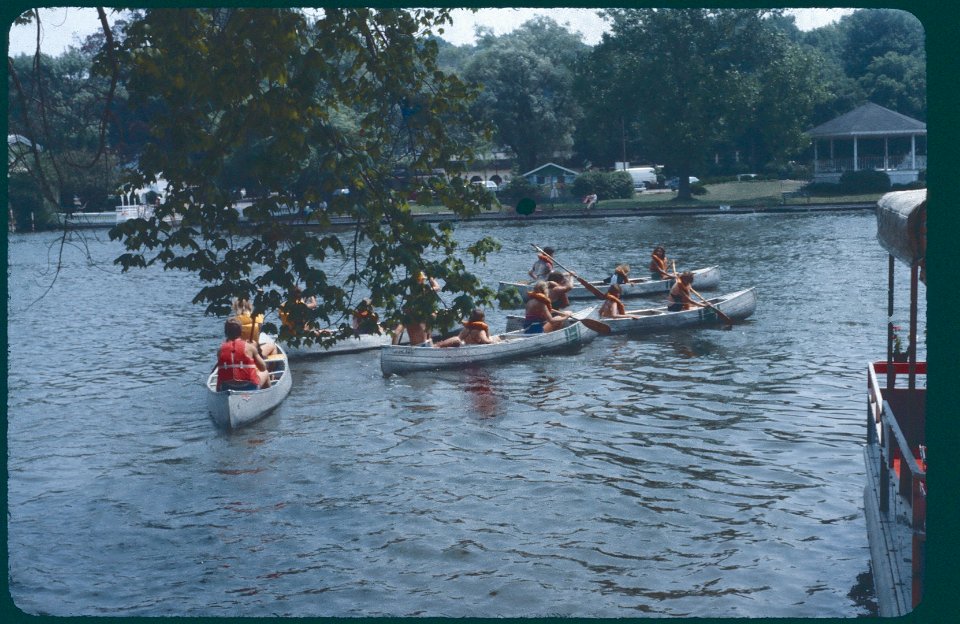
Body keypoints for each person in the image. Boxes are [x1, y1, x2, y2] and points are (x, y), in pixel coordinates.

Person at [216, 318, 271, 390]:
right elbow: (263, 368)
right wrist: (255, 350)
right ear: (241, 332)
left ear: (226, 332)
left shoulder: (220, 350)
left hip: (226, 387)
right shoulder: (250, 347)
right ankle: (265, 397)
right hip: (248, 387)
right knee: (266, 373)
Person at [435, 308, 501, 348]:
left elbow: (458, 338)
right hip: (474, 347)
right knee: (497, 338)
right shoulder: (480, 331)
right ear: (482, 319)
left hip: (467, 345)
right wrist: (494, 342)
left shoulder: (467, 328)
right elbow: (486, 341)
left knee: (457, 339)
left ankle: (439, 344)